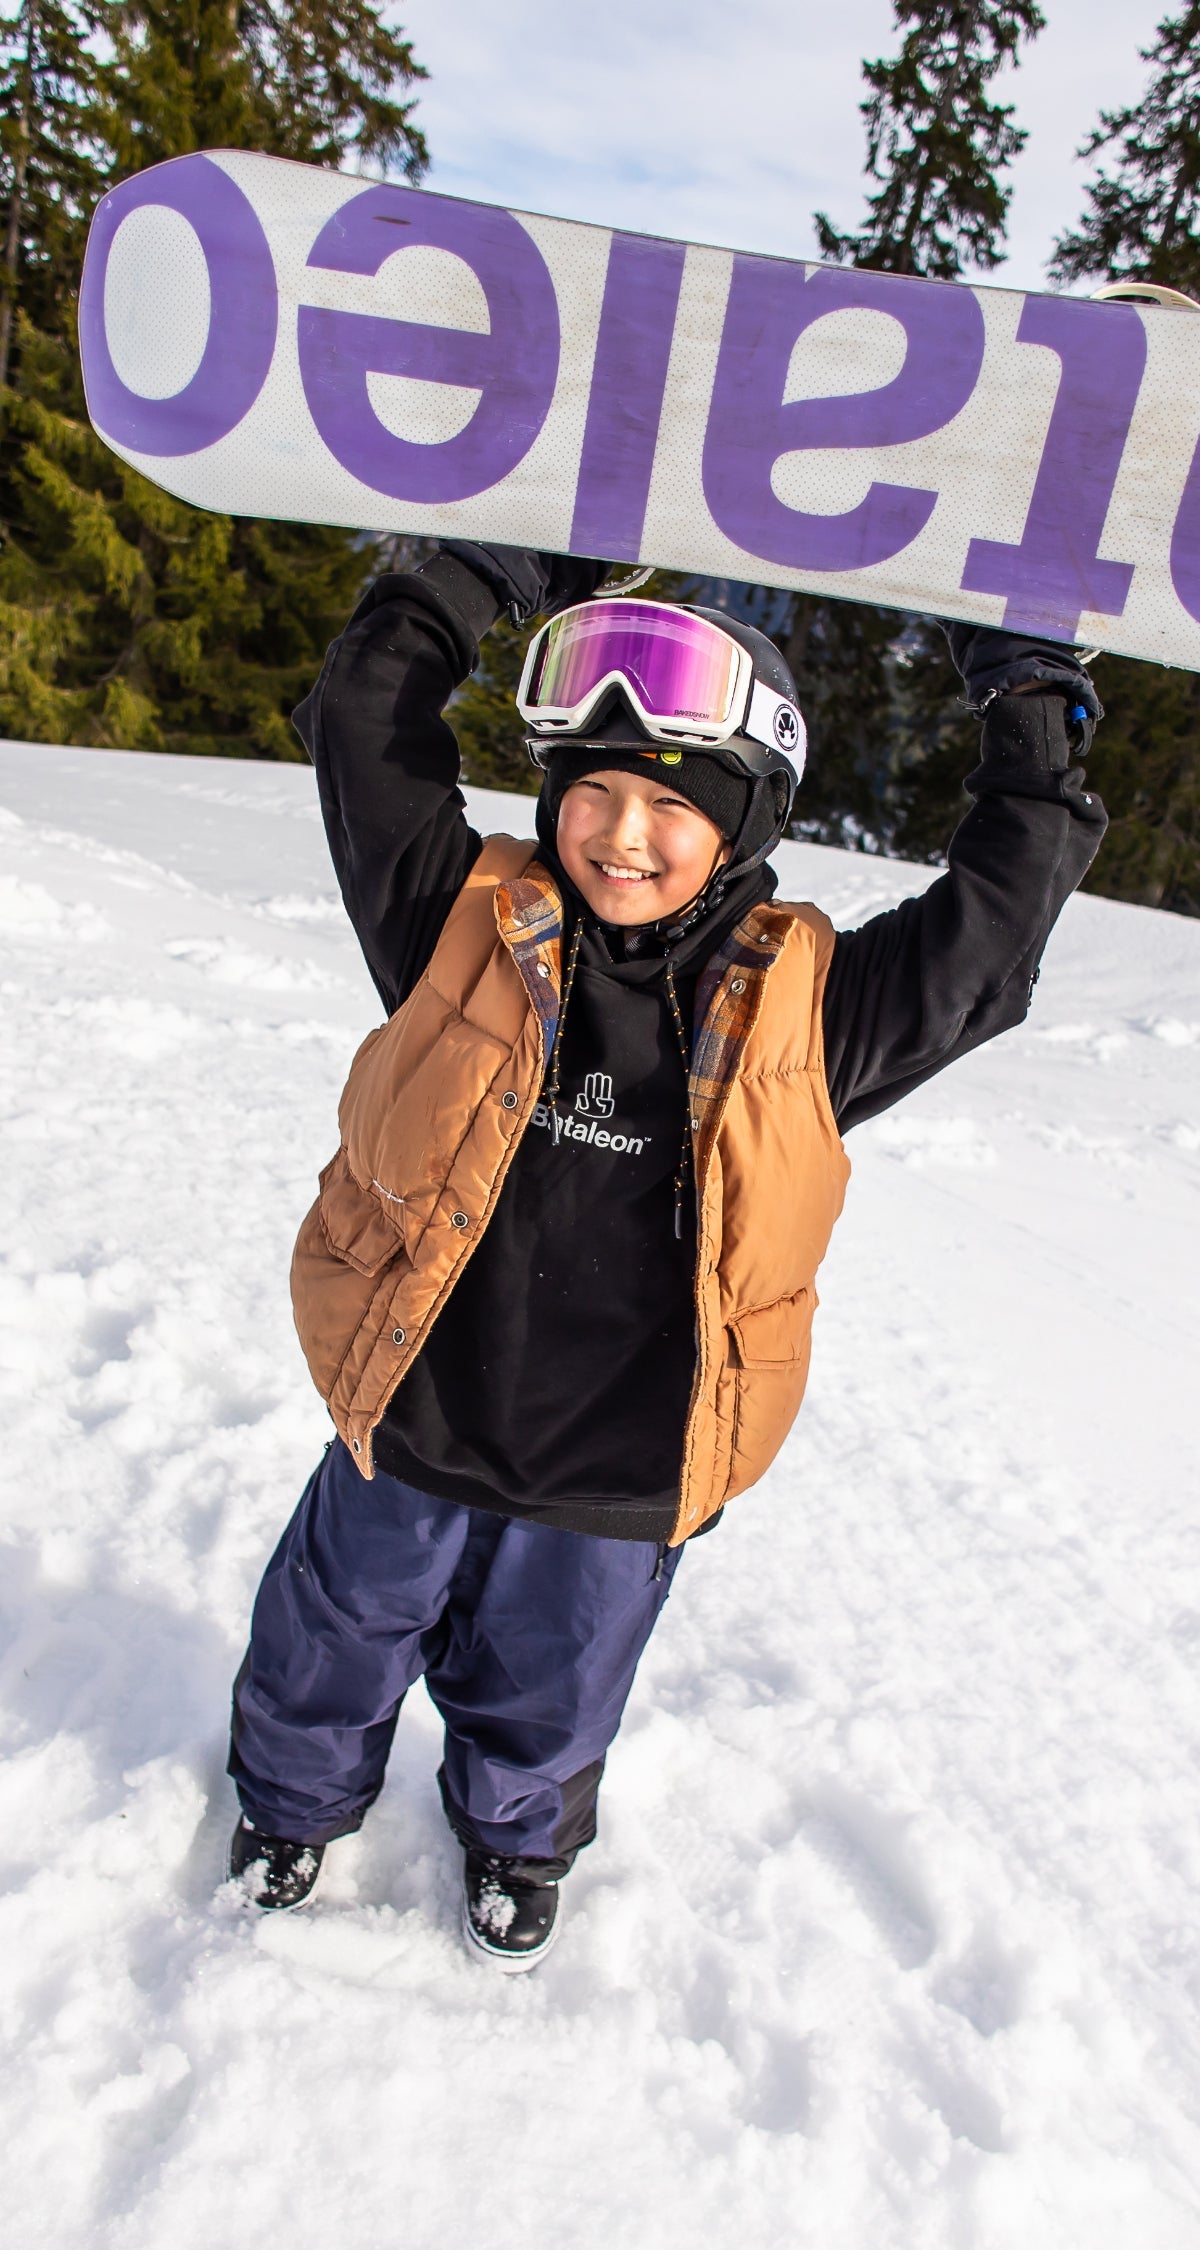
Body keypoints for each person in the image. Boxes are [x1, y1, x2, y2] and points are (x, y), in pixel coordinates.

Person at [226, 540, 1107, 1969]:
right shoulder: (461, 923)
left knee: (552, 1686)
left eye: (669, 805)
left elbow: (992, 934)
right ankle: (289, 1803)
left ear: (743, 816)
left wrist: (1028, 695)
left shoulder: (808, 1012)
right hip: (418, 1414)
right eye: (596, 789)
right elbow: (364, 724)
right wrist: (479, 560)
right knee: (328, 1635)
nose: (621, 832)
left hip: (622, 1470)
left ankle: (515, 1838)